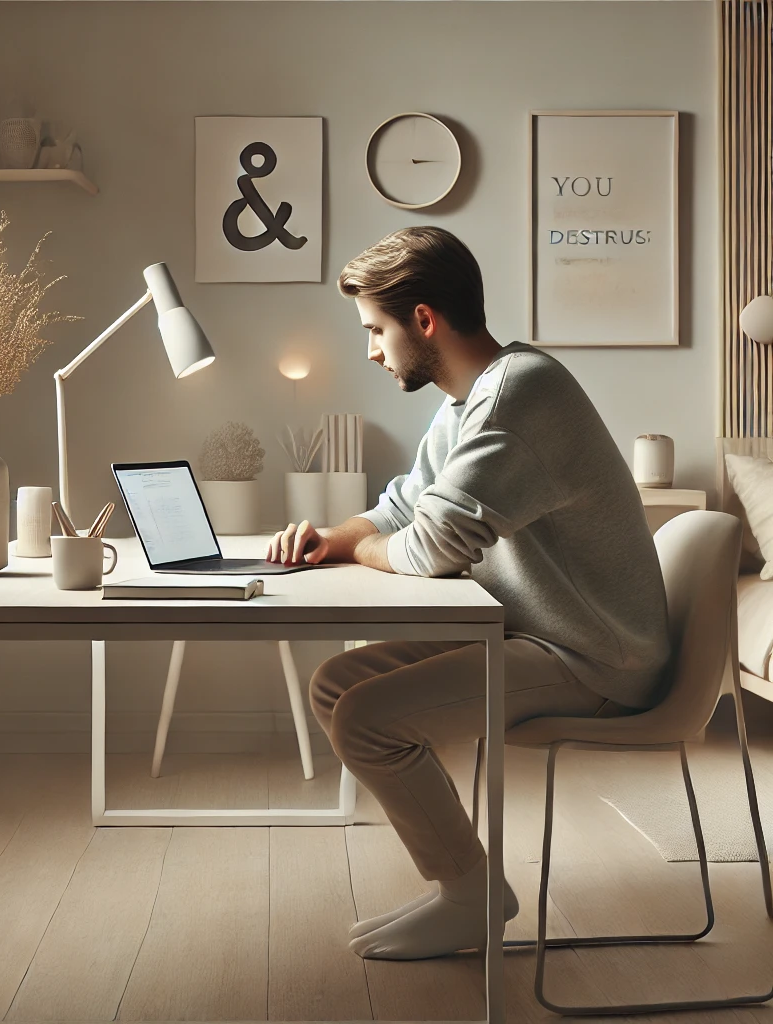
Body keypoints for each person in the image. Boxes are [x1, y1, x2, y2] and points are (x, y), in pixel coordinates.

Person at [265, 226, 671, 962]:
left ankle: (470, 898)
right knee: (340, 685)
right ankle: (469, 882)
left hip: (595, 657)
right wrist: (336, 534)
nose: (371, 350)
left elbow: (430, 546)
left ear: (424, 319)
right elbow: (402, 507)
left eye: (374, 330)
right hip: (541, 635)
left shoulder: (518, 395)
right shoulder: (468, 401)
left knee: (363, 718)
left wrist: (364, 546)